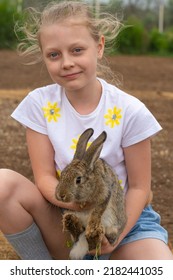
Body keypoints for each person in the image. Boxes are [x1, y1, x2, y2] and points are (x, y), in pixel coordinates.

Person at [0, 1, 172, 260]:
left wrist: (115, 234)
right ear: (44, 57)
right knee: (3, 185)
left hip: (122, 218)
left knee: (159, 268)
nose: (67, 63)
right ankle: (49, 271)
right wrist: (79, 207)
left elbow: (139, 187)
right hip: (67, 215)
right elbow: (45, 178)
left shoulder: (130, 111)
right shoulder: (39, 105)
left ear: (99, 47)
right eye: (54, 55)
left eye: (77, 50)